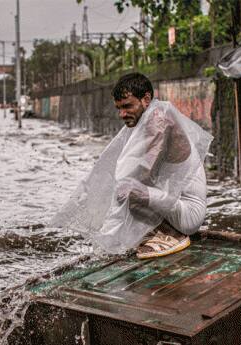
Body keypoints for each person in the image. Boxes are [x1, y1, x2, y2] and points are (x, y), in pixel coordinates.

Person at [52, 73, 212, 259]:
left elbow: (143, 174)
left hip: (189, 214)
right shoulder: (149, 117)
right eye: (118, 108)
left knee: (129, 191)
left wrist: (113, 224)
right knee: (123, 189)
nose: (122, 114)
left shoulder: (159, 122)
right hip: (173, 202)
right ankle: (155, 231)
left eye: (127, 106)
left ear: (146, 99)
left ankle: (174, 235)